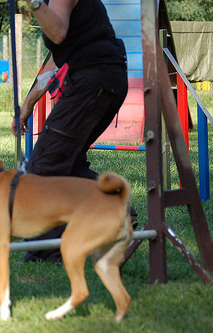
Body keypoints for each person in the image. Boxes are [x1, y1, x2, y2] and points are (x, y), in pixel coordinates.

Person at [12, 0, 137, 264]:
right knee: (68, 164)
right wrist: (28, 103)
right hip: (100, 78)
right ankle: (118, 209)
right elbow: (56, 59)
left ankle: (50, 251)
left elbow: (57, 33)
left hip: (95, 80)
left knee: (46, 165)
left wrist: (33, 2)